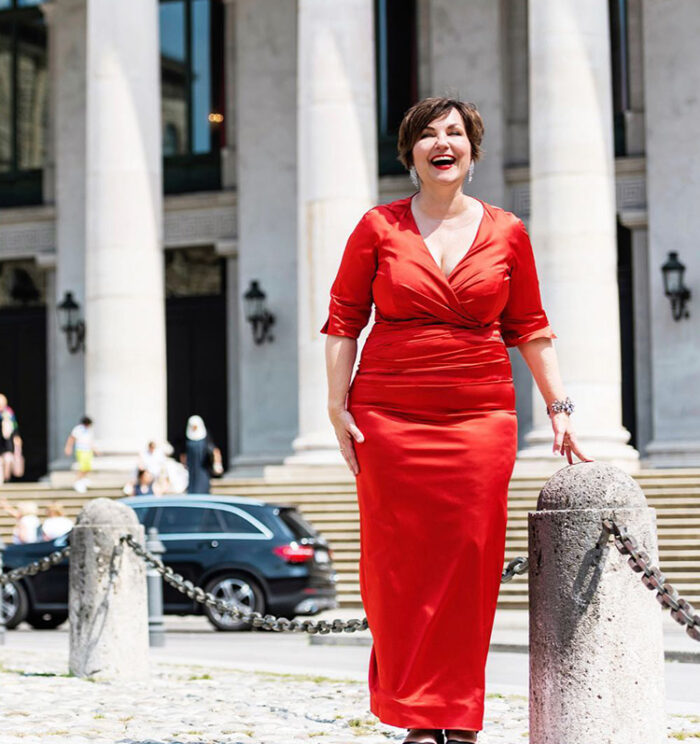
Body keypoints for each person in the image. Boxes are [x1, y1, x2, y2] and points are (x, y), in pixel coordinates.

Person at [321, 97, 593, 744]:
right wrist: (337, 406)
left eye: (455, 133)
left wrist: (559, 410)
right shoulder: (377, 228)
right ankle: (417, 717)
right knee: (397, 569)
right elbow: (342, 319)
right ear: (410, 152)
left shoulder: (507, 232)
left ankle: (459, 717)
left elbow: (529, 326)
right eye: (427, 135)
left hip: (478, 418)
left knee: (469, 566)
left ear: (472, 151)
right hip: (387, 415)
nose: (442, 143)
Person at [180, 415, 222, 494]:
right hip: (192, 467)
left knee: (203, 484)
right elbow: (183, 453)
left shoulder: (206, 436)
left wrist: (217, 463)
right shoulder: (186, 437)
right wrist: (184, 465)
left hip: (203, 466)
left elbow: (213, 449)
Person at [64, 416, 96, 493]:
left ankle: (83, 479)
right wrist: (68, 447)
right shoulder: (78, 429)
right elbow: (71, 438)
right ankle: (77, 482)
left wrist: (95, 449)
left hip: (88, 450)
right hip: (81, 450)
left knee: (88, 467)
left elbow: (89, 441)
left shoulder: (88, 431)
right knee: (83, 467)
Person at [0, 394, 23, 483]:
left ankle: (6, 480)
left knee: (8, 461)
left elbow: (15, 430)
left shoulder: (9, 414)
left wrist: (17, 439)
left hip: (7, 446)